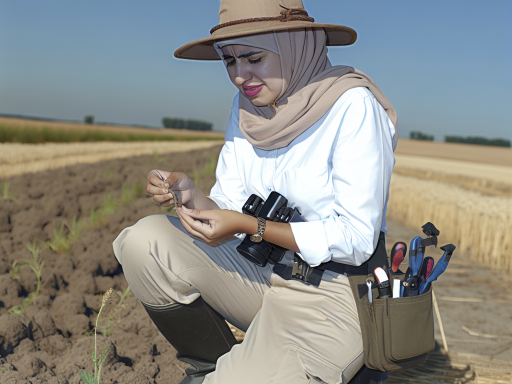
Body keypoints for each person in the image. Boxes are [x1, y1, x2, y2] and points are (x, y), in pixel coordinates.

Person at [113, 0, 397, 383]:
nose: (239, 75)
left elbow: (356, 238)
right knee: (143, 241)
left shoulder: (353, 107)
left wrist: (254, 225)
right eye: (230, 61)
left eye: (253, 58)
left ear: (294, 46)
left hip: (333, 294)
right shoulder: (246, 108)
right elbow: (229, 204)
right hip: (262, 273)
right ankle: (210, 369)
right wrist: (189, 193)